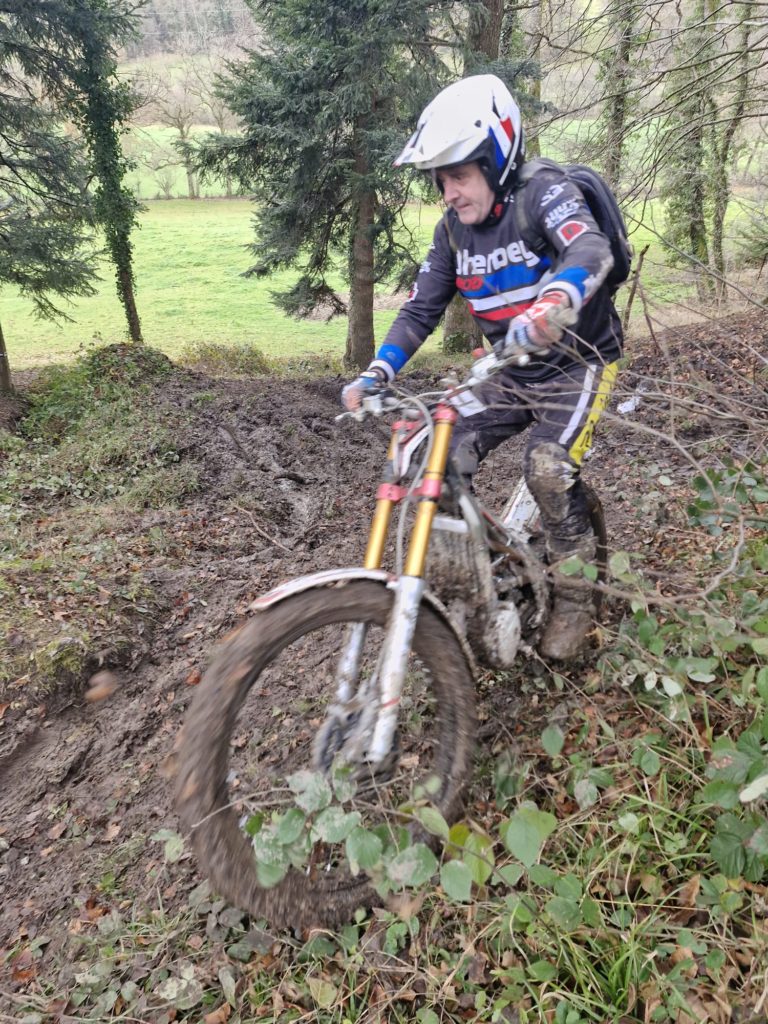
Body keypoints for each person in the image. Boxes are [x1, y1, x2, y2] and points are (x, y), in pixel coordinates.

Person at [341, 74, 623, 661]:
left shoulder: (543, 194)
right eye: (441, 180)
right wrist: (377, 373)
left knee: (547, 469)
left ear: (497, 161)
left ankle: (577, 596)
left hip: (579, 364)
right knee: (431, 455)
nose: (449, 192)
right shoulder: (452, 233)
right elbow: (419, 310)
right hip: (509, 369)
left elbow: (589, 247)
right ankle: (491, 574)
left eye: (460, 175)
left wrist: (554, 300)